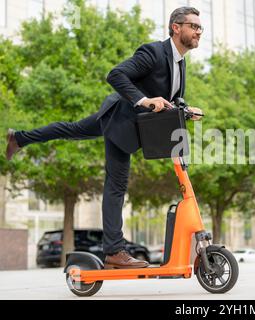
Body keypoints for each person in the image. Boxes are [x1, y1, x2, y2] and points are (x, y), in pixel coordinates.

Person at [5, 7, 204, 269]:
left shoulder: (180, 61)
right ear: (176, 27)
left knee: (71, 129)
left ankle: (18, 138)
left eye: (201, 28)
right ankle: (113, 251)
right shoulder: (154, 52)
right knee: (116, 185)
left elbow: (166, 95)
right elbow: (116, 74)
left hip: (126, 121)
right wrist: (144, 101)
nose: (199, 32)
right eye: (194, 26)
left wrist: (184, 107)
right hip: (121, 121)